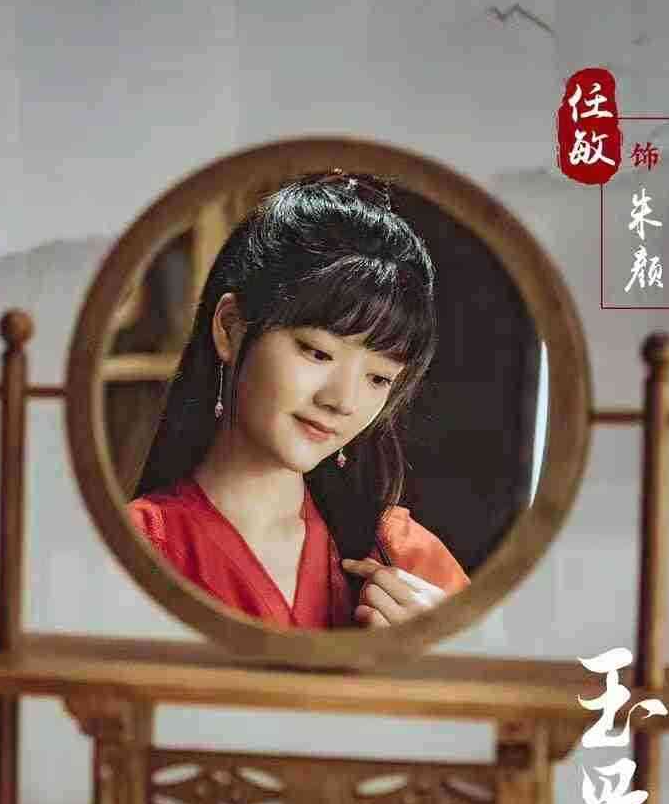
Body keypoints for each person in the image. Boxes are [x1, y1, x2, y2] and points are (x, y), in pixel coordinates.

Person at [128, 172, 469, 630]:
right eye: (317, 352)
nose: (343, 401)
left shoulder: (404, 556)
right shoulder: (138, 550)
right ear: (230, 328)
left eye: (378, 377)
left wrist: (441, 657)